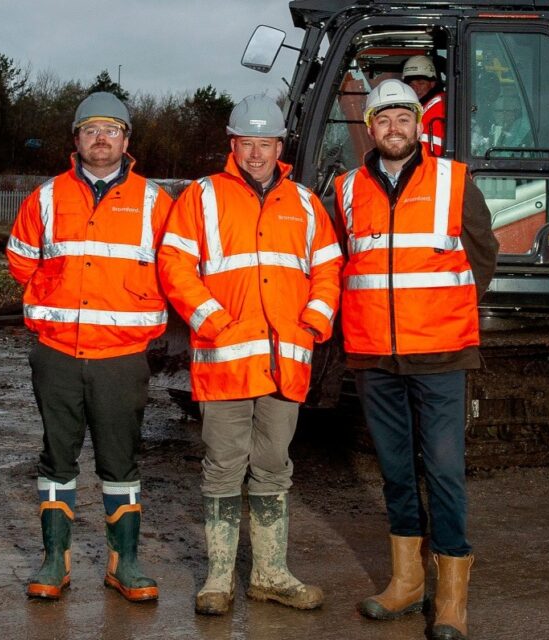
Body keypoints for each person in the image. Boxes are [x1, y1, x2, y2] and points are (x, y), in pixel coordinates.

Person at [158, 95, 343, 616]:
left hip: (285, 361)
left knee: (273, 465)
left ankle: (269, 574)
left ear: (280, 146)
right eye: (247, 143)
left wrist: (315, 319)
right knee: (222, 466)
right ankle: (219, 578)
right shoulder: (202, 198)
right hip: (226, 362)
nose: (256, 153)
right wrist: (211, 321)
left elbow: (328, 267)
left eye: (265, 143)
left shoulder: (305, 203)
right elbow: (175, 266)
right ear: (232, 145)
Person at [334, 79, 499, 640]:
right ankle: (407, 584)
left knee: (445, 473)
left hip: (442, 354)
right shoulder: (348, 189)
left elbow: (482, 254)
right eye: (383, 119)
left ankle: (451, 599)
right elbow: (342, 266)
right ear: (372, 127)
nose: (394, 127)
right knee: (397, 473)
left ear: (416, 125)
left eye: (403, 116)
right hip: (375, 357)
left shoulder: (453, 181)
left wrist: (442, 313)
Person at [6, 92, 173, 603]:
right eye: (91, 130)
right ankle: (55, 561)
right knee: (56, 458)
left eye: (112, 130)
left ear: (127, 141)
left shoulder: (155, 201)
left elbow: (177, 266)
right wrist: (48, 301)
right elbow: (20, 257)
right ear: (75, 140)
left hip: (122, 358)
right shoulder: (47, 197)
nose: (101, 139)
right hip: (56, 353)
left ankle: (126, 564)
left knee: (120, 462)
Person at [402, 55, 446, 156]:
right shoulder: (424, 106)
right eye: (411, 85)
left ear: (432, 83)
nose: (416, 89)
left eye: (421, 83)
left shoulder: (437, 106)